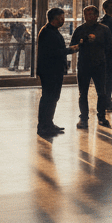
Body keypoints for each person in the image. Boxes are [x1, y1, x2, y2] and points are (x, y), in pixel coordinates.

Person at [37, 8, 80, 136]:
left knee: (51, 98)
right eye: (62, 17)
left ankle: (47, 123)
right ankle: (44, 125)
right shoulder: (49, 33)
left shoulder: (48, 31)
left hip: (51, 70)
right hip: (51, 71)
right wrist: (71, 50)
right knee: (49, 98)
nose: (63, 20)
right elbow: (54, 53)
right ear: (56, 19)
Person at [70, 5, 112, 129]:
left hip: (99, 64)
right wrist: (82, 42)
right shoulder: (80, 29)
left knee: (102, 93)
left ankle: (101, 117)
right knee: (83, 93)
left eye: (90, 15)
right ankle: (83, 118)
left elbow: (110, 46)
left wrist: (97, 41)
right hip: (84, 64)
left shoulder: (104, 30)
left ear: (96, 16)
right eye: (86, 15)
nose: (88, 18)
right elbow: (73, 45)